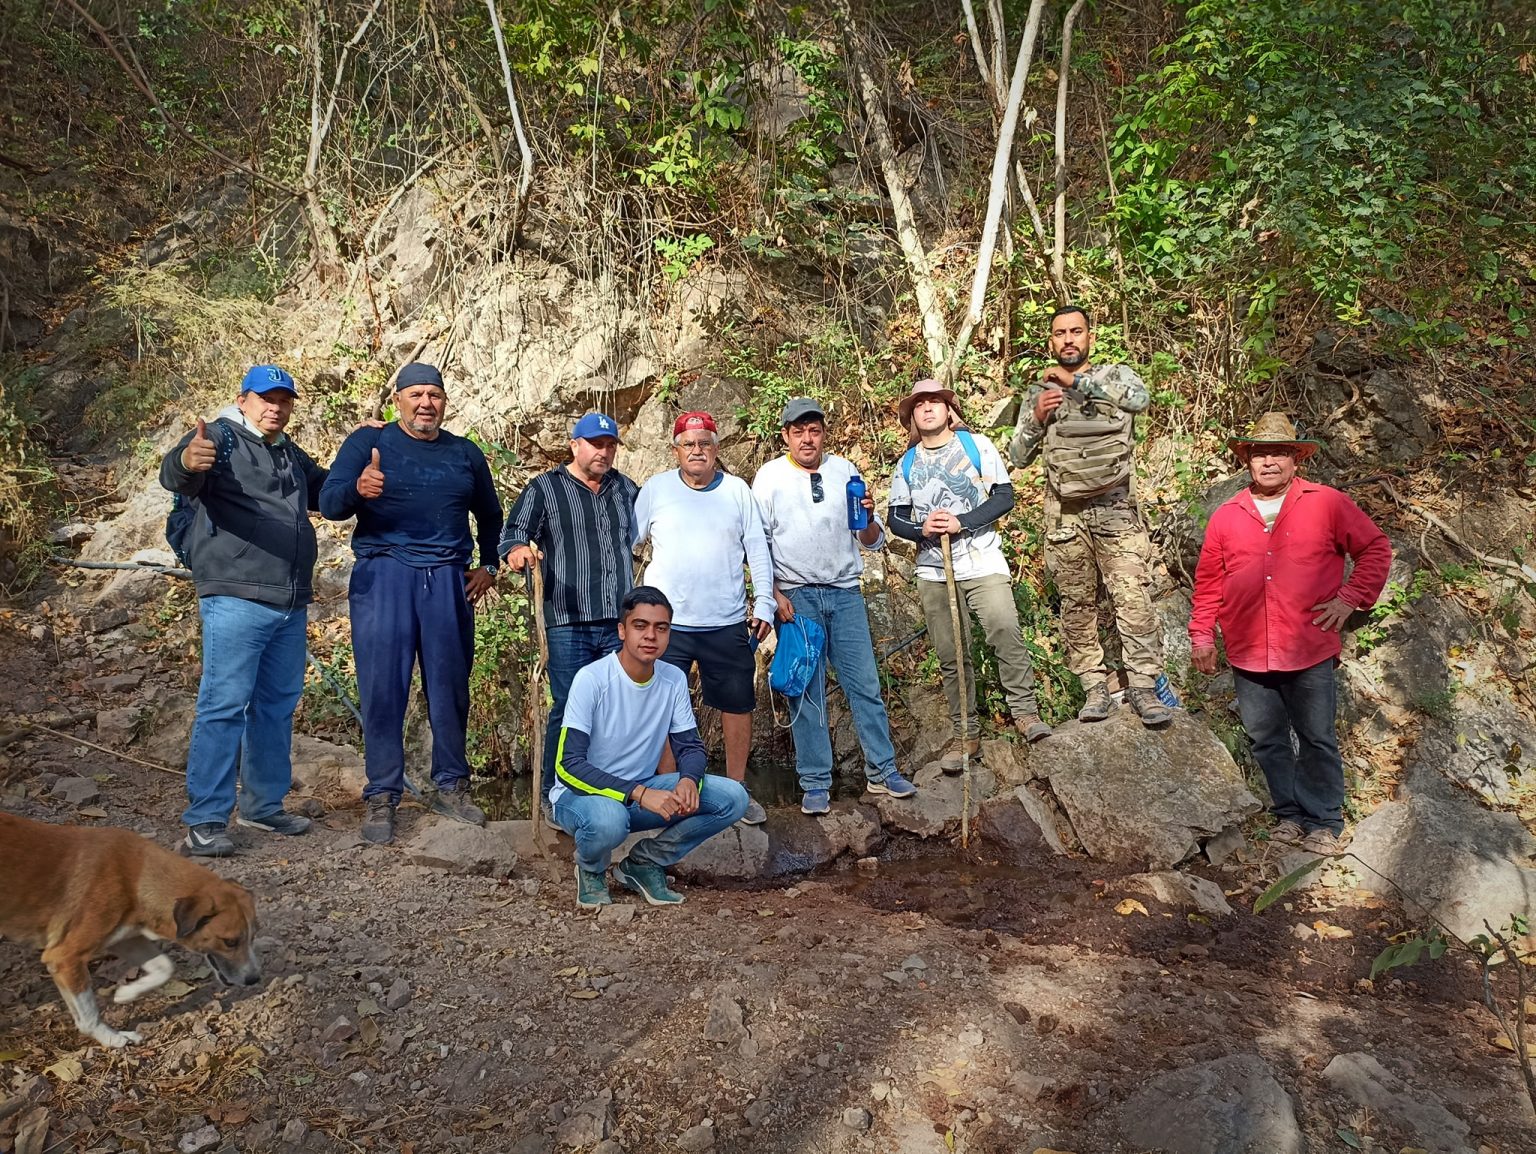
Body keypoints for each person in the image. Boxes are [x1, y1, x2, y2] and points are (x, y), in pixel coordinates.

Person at [319, 362, 505, 845]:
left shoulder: (464, 453)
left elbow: (490, 514)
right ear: (398, 400)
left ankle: (451, 785)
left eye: (435, 394)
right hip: (384, 575)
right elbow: (330, 500)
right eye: (416, 394)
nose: (426, 403)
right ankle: (382, 794)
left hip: (446, 579)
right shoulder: (368, 445)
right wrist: (359, 490)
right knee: (384, 687)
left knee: (450, 685)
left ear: (445, 401)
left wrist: (489, 565)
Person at [1189, 412, 1391, 855]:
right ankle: (1288, 814)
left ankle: (1323, 821)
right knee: (1267, 738)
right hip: (1248, 650)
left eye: (1279, 452)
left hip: (1309, 644)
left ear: (1296, 459)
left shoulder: (1327, 503)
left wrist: (1350, 597)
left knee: (1317, 735)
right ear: (1248, 461)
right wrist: (1202, 634)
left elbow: (1375, 548)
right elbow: (1209, 582)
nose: (1269, 462)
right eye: (1260, 453)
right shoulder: (1227, 515)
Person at [159, 365, 326, 857]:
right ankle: (206, 820)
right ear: (244, 399)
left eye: (284, 399)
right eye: (265, 398)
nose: (275, 406)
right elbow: (177, 472)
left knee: (275, 707)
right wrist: (189, 459)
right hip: (234, 597)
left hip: (290, 601)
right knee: (223, 706)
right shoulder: (221, 439)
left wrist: (365, 455)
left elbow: (328, 492)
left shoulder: (287, 452)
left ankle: (262, 805)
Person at [1009, 305, 1174, 727]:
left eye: (1076, 331)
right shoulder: (1038, 392)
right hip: (1065, 515)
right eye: (1060, 333)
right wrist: (1036, 418)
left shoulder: (1116, 375)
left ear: (1089, 338)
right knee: (1077, 605)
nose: (1068, 339)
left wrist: (1078, 381)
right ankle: (1094, 689)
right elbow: (1018, 456)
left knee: (1132, 597)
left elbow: (1140, 399)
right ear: (1051, 341)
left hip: (1115, 507)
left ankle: (1143, 688)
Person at [751, 397, 918, 814]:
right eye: (798, 431)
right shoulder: (769, 477)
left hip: (845, 592)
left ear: (824, 433)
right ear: (786, 435)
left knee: (864, 684)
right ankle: (814, 783)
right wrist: (773, 593)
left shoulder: (845, 470)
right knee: (806, 691)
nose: (807, 439)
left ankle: (882, 772)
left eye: (815, 430)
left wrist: (870, 518)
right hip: (797, 597)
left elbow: (872, 540)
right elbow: (756, 543)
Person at [887, 379, 1052, 773]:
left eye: (935, 402)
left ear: (948, 409)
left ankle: (1025, 714)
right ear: (912, 416)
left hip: (982, 560)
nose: (927, 409)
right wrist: (921, 530)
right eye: (919, 404)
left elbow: (1004, 496)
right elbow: (896, 517)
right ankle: (966, 732)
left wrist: (961, 521)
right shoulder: (907, 463)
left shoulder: (976, 446)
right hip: (933, 570)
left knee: (1005, 633)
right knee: (951, 651)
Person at [552, 586, 750, 909]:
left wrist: (688, 780)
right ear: (622, 630)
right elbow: (567, 765)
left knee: (733, 798)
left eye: (661, 628)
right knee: (610, 818)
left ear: (669, 633)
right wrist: (640, 793)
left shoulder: (672, 679)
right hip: (583, 798)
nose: (650, 636)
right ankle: (591, 869)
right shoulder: (592, 680)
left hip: (642, 794)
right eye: (640, 626)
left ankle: (644, 862)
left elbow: (691, 747)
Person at [499, 412, 639, 833]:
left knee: (618, 709)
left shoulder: (625, 489)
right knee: (569, 708)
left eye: (610, 444)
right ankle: (554, 792)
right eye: (595, 443)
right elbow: (511, 535)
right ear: (575, 445)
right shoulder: (545, 488)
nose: (603, 451)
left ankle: (611, 791)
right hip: (567, 621)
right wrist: (519, 553)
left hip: (618, 621)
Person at [632, 411, 774, 824]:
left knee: (737, 705)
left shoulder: (736, 491)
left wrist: (763, 602)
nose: (697, 451)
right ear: (676, 450)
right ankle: (672, 792)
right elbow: (625, 542)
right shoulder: (656, 489)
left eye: (705, 443)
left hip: (725, 621)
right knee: (660, 707)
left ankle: (736, 791)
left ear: (716, 449)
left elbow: (757, 551)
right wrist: (630, 610)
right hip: (666, 624)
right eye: (688, 444)